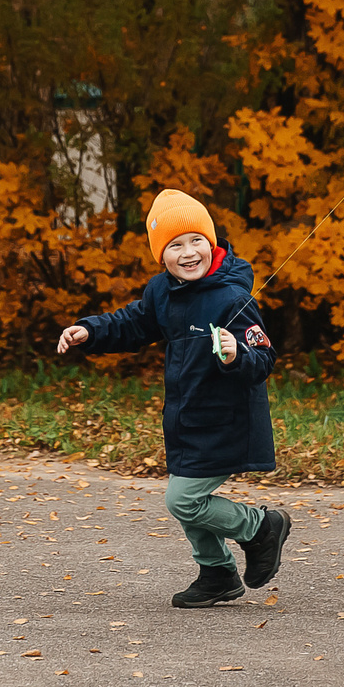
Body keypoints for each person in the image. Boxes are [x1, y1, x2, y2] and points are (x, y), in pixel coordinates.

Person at [56, 189, 292, 608]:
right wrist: (91, 330)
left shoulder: (231, 298)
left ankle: (259, 527)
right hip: (186, 419)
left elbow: (264, 356)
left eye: (196, 240)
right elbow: (133, 323)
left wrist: (238, 354)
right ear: (160, 255)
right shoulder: (162, 292)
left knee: (183, 498)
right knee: (188, 499)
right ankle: (218, 574)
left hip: (228, 420)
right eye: (174, 245)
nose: (188, 252)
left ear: (212, 241)